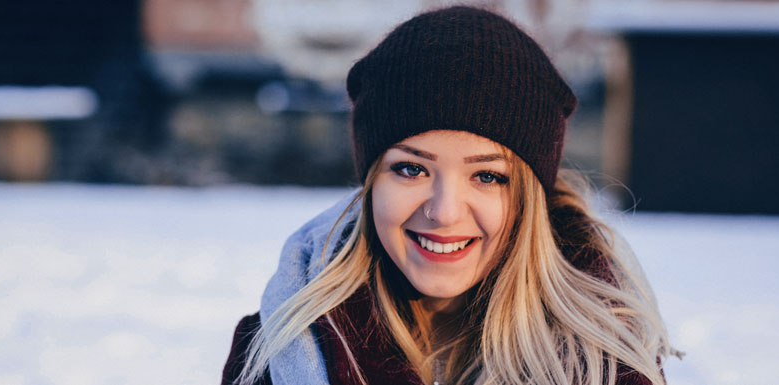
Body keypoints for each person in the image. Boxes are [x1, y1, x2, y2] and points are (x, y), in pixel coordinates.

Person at [223, 6, 673, 385]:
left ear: (529, 200)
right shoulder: (273, 356)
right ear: (371, 182)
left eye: (488, 177)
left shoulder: (607, 366)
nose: (444, 212)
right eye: (411, 169)